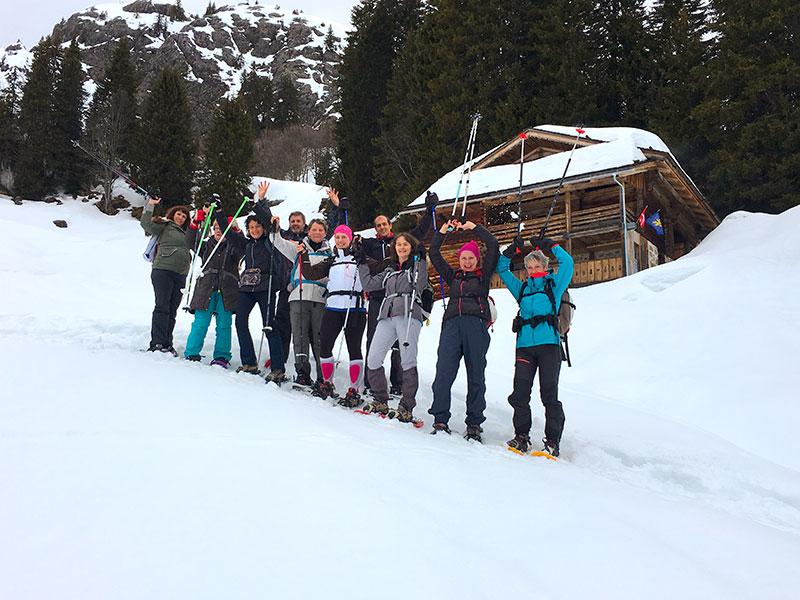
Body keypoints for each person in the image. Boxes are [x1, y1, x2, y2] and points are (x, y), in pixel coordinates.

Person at [496, 236, 574, 457]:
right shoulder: (522, 290)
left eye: (537, 266)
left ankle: (552, 441)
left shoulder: (555, 286)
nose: (532, 270)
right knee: (520, 394)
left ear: (545, 266)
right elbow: (502, 269)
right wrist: (512, 250)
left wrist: (551, 245)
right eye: (529, 267)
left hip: (549, 346)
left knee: (549, 395)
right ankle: (522, 436)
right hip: (524, 348)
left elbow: (567, 263)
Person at [427, 219, 499, 441]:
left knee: (476, 374)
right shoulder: (453, 276)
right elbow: (434, 253)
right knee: (443, 373)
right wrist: (442, 232)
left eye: (471, 258)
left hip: (476, 327)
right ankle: (440, 418)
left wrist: (473, 228)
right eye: (464, 258)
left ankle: (474, 423)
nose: (467, 262)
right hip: (452, 326)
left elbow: (494, 246)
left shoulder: (483, 276)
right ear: (459, 260)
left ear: (477, 260)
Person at [361, 192, 438, 395]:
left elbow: (421, 231)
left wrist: (429, 210)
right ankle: (372, 385)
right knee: (374, 340)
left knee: (399, 347)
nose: (381, 227)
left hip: (404, 299)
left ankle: (398, 383)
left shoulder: (400, 240)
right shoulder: (371, 244)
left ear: (390, 225)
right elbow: (350, 241)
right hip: (381, 297)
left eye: (384, 224)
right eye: (378, 225)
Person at [356, 232, 428, 422]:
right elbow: (368, 284)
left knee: (407, 359)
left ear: (411, 247)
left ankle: (406, 405)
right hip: (387, 314)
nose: (402, 247)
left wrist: (421, 259)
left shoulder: (415, 268)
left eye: (406, 244)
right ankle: (380, 398)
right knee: (373, 358)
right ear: (394, 248)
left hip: (408, 312)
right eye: (398, 245)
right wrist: (361, 262)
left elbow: (420, 285)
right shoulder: (390, 269)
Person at [222, 198, 287, 382]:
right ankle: (249, 362)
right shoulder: (247, 244)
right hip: (247, 288)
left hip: (266, 286)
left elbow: (269, 220)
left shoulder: (271, 240)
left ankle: (278, 368)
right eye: (251, 227)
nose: (255, 230)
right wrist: (219, 212)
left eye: (258, 226)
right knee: (240, 322)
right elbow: (228, 232)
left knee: (269, 326)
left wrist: (256, 205)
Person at [303, 224, 366, 403]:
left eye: (343, 237)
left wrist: (364, 253)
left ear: (350, 238)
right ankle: (327, 383)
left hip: (355, 309)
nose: (340, 240)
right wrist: (303, 255)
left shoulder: (360, 258)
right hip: (332, 308)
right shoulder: (331, 260)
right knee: (325, 345)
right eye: (337, 237)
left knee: (354, 348)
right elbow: (310, 274)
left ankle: (354, 389)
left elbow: (379, 267)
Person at [269, 214, 333, 387]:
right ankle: (302, 373)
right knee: (300, 335)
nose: (317, 233)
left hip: (320, 298)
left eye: (320, 230)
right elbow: (278, 242)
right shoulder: (298, 248)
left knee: (319, 338)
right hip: (299, 295)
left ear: (325, 232)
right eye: (314, 230)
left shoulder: (330, 253)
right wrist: (274, 228)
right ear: (308, 231)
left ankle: (322, 375)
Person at [183, 204, 243, 368]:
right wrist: (197, 221)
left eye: (222, 228)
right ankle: (192, 352)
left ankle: (222, 356)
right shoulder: (207, 245)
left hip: (227, 290)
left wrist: (235, 231)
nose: (219, 231)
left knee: (224, 325)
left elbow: (242, 247)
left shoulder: (234, 246)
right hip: (206, 288)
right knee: (201, 322)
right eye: (216, 228)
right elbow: (190, 241)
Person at [140, 197, 192, 355]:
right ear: (172, 214)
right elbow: (146, 224)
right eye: (178, 214)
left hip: (181, 273)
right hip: (163, 270)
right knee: (162, 306)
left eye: (184, 216)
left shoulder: (188, 232)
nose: (181, 217)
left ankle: (167, 343)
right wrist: (150, 205)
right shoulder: (165, 225)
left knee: (172, 309)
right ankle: (157, 343)